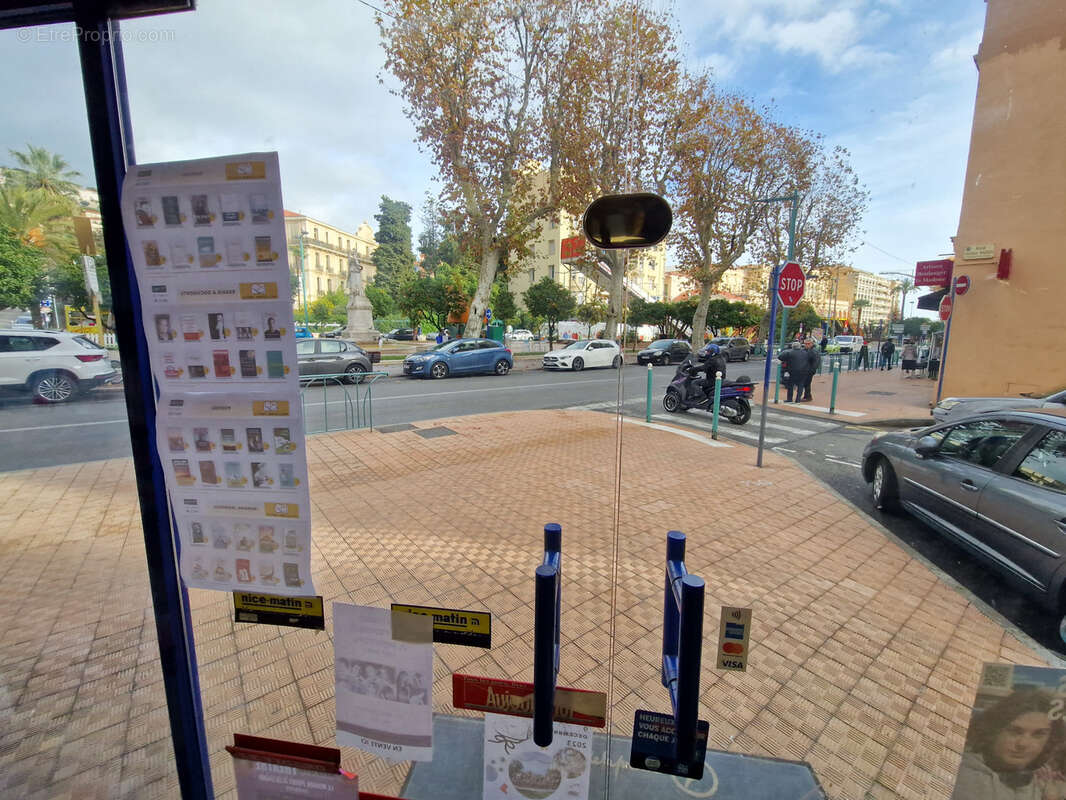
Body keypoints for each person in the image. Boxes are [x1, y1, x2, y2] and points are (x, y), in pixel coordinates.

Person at [951, 689, 1064, 799]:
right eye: (1014, 731)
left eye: (1038, 734)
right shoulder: (966, 775)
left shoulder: (1045, 779)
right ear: (994, 730)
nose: (1023, 743)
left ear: (1050, 739)